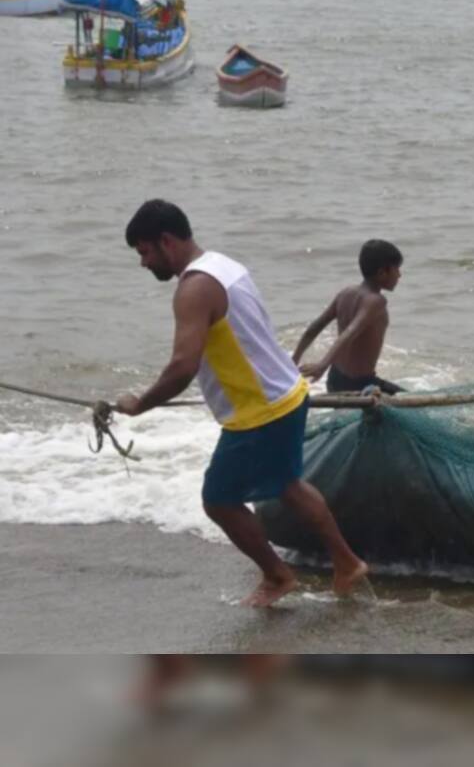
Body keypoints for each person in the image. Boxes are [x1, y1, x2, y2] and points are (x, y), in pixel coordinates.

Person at [116, 200, 368, 607]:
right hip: (287, 395)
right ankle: (347, 562)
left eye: (145, 252)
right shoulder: (224, 265)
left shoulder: (193, 289)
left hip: (258, 412)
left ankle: (278, 575)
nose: (144, 263)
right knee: (288, 486)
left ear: (166, 241)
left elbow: (183, 366)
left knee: (218, 500)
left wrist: (139, 403)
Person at [292, 240, 405, 395]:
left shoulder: (346, 293)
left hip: (334, 380)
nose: (399, 275)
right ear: (382, 273)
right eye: (396, 269)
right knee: (416, 407)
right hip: (360, 385)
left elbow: (315, 327)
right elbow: (350, 332)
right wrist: (322, 365)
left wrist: (293, 362)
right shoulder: (376, 301)